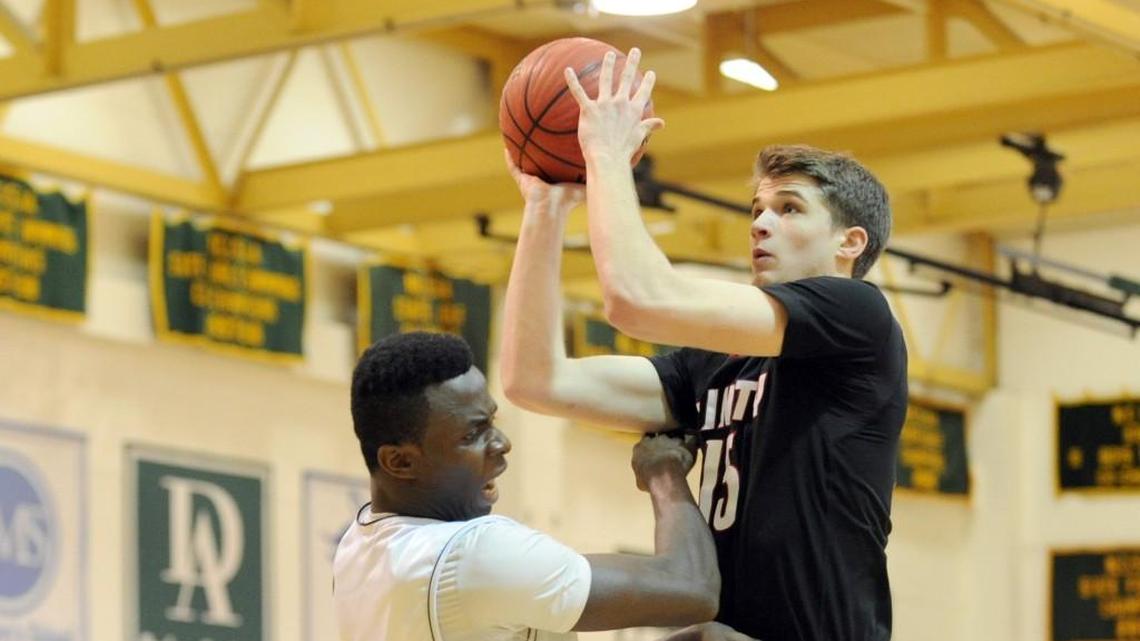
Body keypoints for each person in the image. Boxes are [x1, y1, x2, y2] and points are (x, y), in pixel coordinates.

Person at [500, 47, 907, 641]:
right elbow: (536, 380)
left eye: (789, 208)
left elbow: (637, 298)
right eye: (758, 209)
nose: (761, 223)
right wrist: (544, 210)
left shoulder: (858, 318)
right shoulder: (711, 364)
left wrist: (609, 156)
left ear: (850, 242)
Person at [333, 331, 726, 641]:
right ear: (399, 461)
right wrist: (664, 474)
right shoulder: (474, 554)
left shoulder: (359, 544)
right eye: (474, 434)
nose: (502, 444)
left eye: (492, 422)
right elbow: (692, 588)